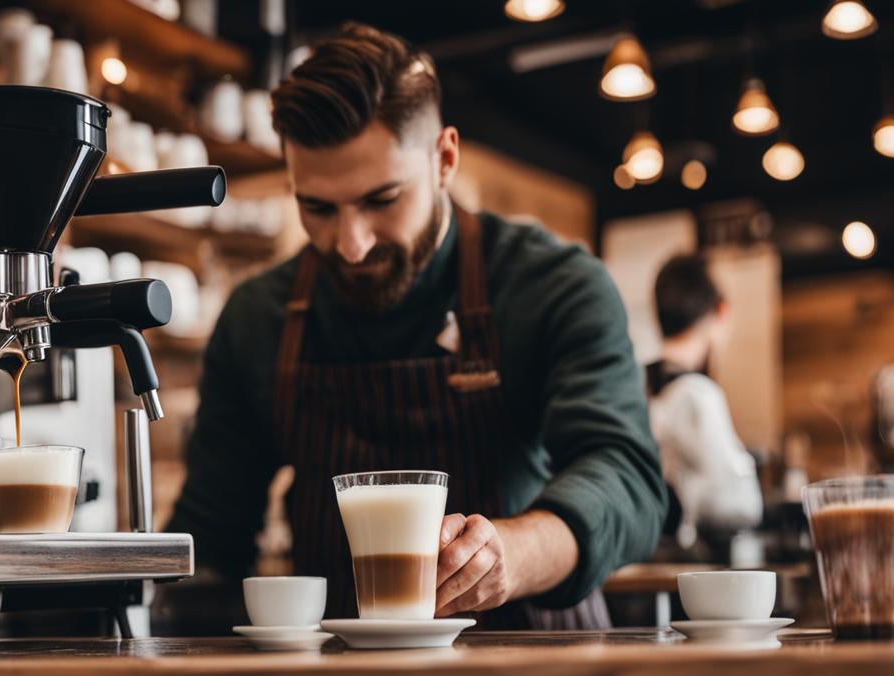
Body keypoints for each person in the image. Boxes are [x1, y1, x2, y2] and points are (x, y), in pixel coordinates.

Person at [168, 23, 665, 629]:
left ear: (445, 158)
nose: (350, 245)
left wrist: (513, 553)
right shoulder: (258, 318)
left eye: (382, 200)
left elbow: (626, 476)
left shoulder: (553, 284)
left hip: (538, 668)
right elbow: (211, 533)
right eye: (317, 208)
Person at [646, 255, 762, 552]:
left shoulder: (640, 386)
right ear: (721, 312)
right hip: (682, 566)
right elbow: (737, 506)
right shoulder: (697, 395)